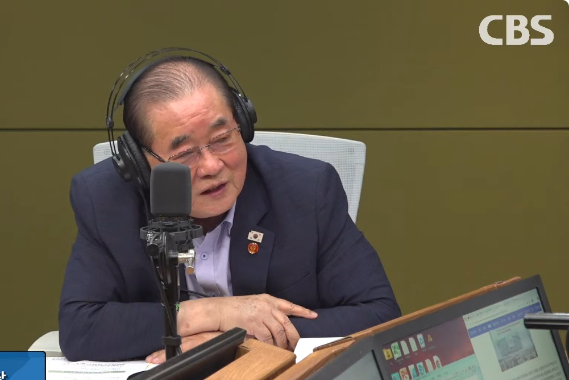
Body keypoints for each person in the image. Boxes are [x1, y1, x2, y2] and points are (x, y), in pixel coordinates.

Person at [59, 50, 401, 363]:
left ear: (244, 124)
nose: (211, 166)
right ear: (139, 162)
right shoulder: (104, 199)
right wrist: (216, 314)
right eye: (184, 154)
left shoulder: (306, 190)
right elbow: (80, 329)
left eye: (222, 139)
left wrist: (232, 340)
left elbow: (380, 314)